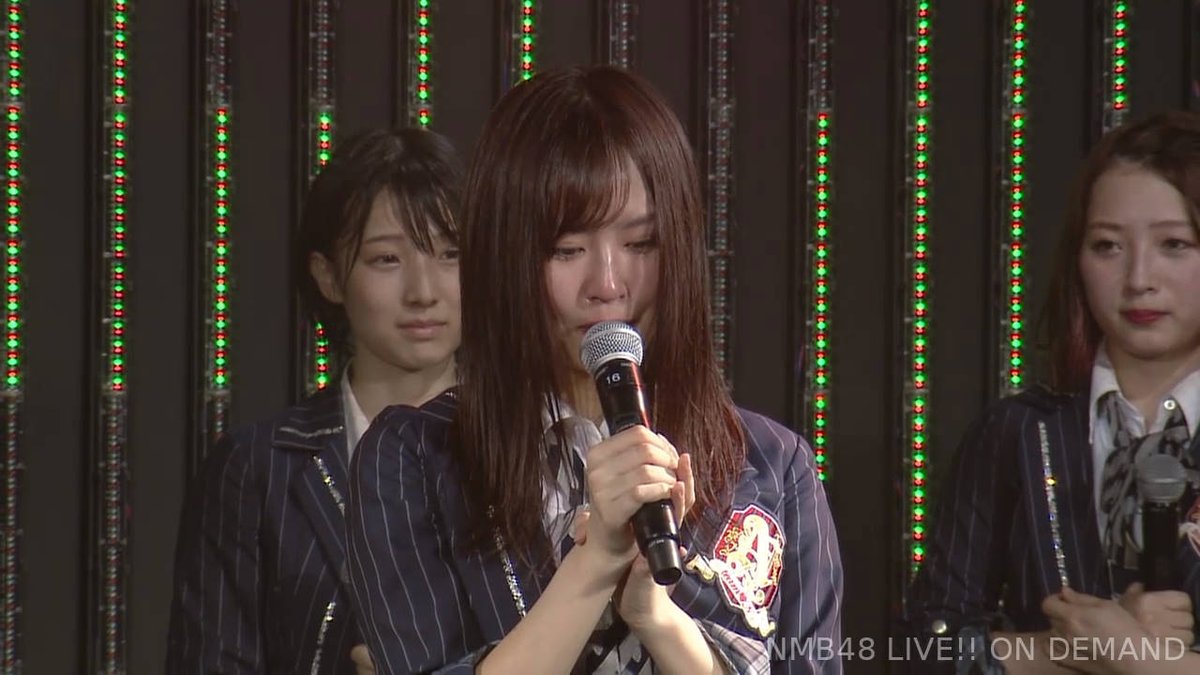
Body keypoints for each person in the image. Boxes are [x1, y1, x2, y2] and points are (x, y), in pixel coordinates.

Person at [345, 65, 843, 675]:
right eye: (567, 249)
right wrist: (595, 562)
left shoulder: (772, 466)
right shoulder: (414, 459)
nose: (607, 284)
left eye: (640, 244)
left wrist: (661, 621)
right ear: (504, 256)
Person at [903, 111, 1200, 673]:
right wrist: (1065, 647)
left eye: (1174, 244)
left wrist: (1143, 659)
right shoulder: (1016, 431)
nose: (1139, 278)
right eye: (1108, 246)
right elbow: (924, 647)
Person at [165, 127, 462, 673]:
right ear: (328, 276)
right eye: (387, 259)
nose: (424, 291)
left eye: (451, 254)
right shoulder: (258, 469)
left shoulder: (532, 446)